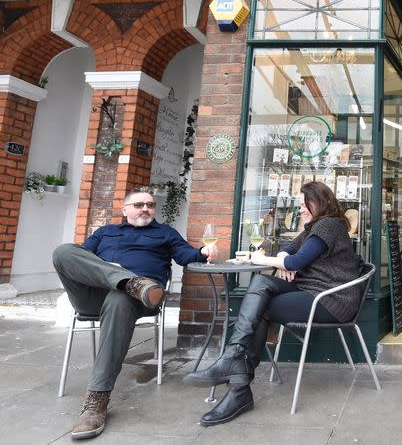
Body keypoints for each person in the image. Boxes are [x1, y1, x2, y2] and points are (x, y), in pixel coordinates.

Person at [183, 181, 364, 425]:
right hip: (311, 290)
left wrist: (272, 259)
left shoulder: (329, 225)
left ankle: (238, 386)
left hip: (331, 299)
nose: (300, 209)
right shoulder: (314, 227)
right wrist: (283, 258)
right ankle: (234, 359)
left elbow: (295, 261)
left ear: (320, 202)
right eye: (299, 205)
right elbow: (289, 251)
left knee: (262, 307)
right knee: (261, 284)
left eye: (304, 204)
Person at [52, 187, 218, 440]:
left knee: (120, 298)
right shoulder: (106, 232)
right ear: (125, 209)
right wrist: (116, 274)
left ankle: (97, 400)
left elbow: (187, 256)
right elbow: (81, 260)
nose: (145, 209)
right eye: (139, 204)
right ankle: (129, 281)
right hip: (94, 295)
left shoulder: (165, 233)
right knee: (63, 251)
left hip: (139, 300)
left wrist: (203, 252)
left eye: (150, 205)